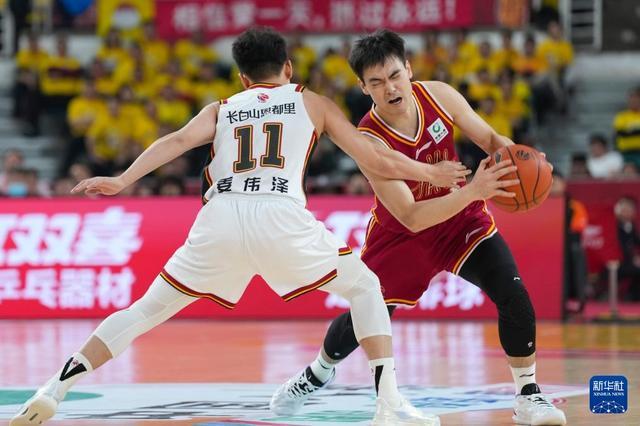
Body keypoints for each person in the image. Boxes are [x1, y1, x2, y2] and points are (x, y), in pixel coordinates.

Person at [10, 27, 470, 426]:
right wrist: (429, 172)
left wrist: (122, 179)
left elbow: (176, 140)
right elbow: (374, 158)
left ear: (243, 78)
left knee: (143, 312)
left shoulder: (223, 107)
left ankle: (53, 388)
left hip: (221, 218)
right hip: (279, 216)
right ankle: (388, 404)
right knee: (366, 288)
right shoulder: (311, 102)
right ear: (288, 68)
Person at [271, 29, 567, 426]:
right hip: (402, 236)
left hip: (460, 221)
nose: (390, 88)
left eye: (395, 75)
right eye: (377, 82)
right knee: (366, 318)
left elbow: (489, 137)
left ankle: (528, 396)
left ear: (409, 69)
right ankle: (318, 372)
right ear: (363, 87)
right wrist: (473, 190)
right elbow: (410, 215)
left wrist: (521, 158)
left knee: (513, 293)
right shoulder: (368, 141)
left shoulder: (438, 95)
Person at [614, 197, 640, 301]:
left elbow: (637, 242)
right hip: (618, 261)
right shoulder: (614, 226)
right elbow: (620, 247)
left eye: (629, 210)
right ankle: (631, 295)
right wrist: (634, 258)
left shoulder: (631, 226)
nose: (627, 213)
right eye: (624, 210)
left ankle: (633, 294)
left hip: (630, 261)